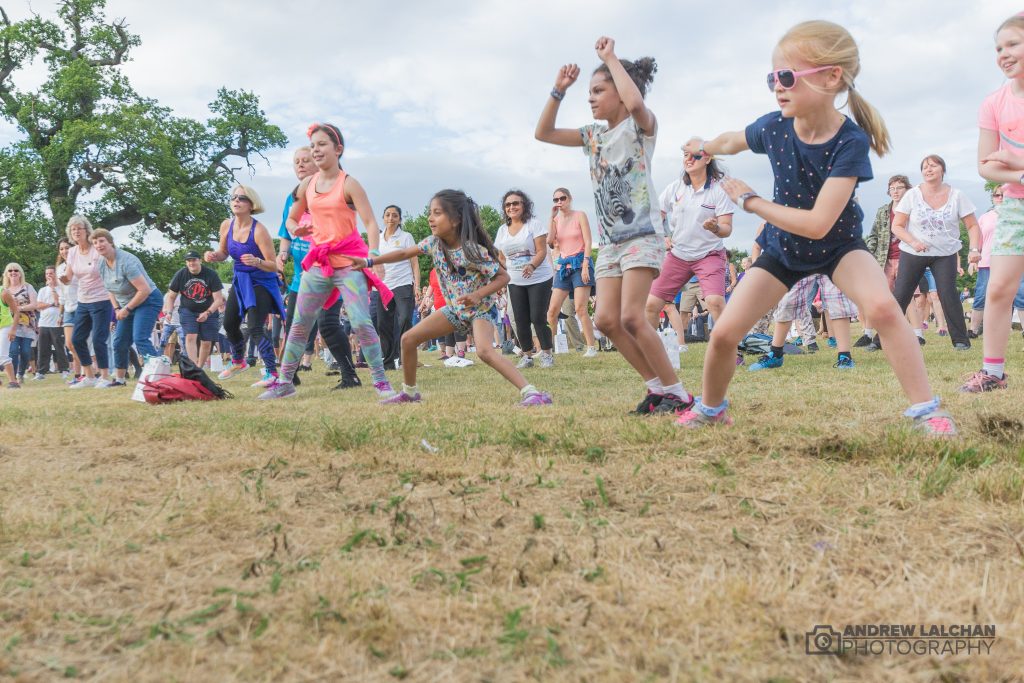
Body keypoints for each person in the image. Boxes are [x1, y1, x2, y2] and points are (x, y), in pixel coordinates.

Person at [679, 20, 955, 434]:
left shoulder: (850, 141)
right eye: (772, 77)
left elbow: (818, 223)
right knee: (723, 335)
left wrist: (751, 202)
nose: (777, 86)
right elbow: (732, 139)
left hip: (839, 246)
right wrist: (705, 145)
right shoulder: (773, 126)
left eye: (787, 76)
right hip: (782, 250)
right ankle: (712, 408)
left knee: (882, 308)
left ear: (831, 77)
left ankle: (927, 411)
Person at [536, 37, 691, 415]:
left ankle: (679, 393)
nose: (590, 98)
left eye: (598, 90)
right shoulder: (592, 136)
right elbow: (543, 133)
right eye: (588, 92)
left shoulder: (641, 128)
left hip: (641, 236)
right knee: (606, 320)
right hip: (609, 244)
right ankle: (656, 388)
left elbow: (636, 103)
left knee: (632, 317)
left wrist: (610, 58)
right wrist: (558, 90)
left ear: (621, 92)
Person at [351, 189, 551, 406]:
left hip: (480, 311)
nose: (430, 218)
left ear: (455, 219)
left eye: (437, 213)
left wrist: (477, 295)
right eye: (430, 212)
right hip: (455, 310)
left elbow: (503, 277)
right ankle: (410, 393)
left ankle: (532, 393)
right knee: (408, 339)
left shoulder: (473, 251)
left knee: (484, 351)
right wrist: (371, 262)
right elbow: (402, 254)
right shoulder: (433, 243)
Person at [257, 122, 395, 400]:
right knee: (299, 323)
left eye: (322, 145)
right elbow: (291, 218)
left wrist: (374, 255)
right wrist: (296, 228)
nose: (315, 150)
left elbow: (369, 223)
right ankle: (285, 383)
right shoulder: (307, 184)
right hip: (318, 264)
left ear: (338, 149)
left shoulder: (350, 184)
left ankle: (382, 384)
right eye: (312, 145)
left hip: (349, 263)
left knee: (361, 322)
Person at [962, 13, 1024, 392]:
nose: (1003, 54)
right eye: (998, 48)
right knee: (999, 288)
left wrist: (1018, 161)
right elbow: (986, 166)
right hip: (1016, 205)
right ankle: (993, 375)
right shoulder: (994, 103)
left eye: (1013, 44)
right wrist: (1018, 175)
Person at [873, 155, 980, 352]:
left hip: (944, 253)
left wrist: (974, 250)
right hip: (913, 253)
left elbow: (972, 226)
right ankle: (879, 339)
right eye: (925, 167)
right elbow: (897, 226)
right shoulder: (912, 195)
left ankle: (961, 340)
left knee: (948, 293)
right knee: (901, 295)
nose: (928, 169)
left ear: (942, 170)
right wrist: (913, 242)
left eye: (933, 166)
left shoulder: (957, 196)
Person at [275, 146, 361, 389]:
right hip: (301, 275)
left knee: (328, 323)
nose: (300, 165)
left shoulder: (334, 192)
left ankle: (350, 375)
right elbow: (285, 232)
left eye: (306, 160)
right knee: (293, 326)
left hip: (330, 272)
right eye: (296, 162)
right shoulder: (291, 198)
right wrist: (282, 254)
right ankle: (288, 376)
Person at [645, 143, 735, 341]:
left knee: (715, 301)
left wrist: (716, 228)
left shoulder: (719, 190)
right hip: (678, 255)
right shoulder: (675, 187)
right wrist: (662, 237)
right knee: (650, 305)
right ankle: (651, 355)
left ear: (708, 158)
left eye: (694, 155)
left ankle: (732, 351)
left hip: (709, 254)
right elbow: (655, 217)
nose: (688, 159)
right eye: (685, 155)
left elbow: (727, 228)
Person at [204, 185, 285, 384]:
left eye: (242, 198)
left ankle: (272, 373)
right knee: (229, 324)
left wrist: (257, 261)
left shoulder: (259, 230)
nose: (236, 201)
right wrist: (214, 256)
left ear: (251, 204)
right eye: (233, 197)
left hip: (261, 281)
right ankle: (238, 361)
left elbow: (274, 265)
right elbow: (223, 253)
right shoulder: (226, 225)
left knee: (256, 327)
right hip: (240, 280)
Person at [92, 229, 163, 386]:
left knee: (140, 338)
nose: (98, 245)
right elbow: (109, 289)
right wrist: (117, 309)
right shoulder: (102, 263)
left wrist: (127, 309)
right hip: (126, 304)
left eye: (102, 241)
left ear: (110, 242)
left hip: (148, 299)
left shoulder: (126, 261)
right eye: (95, 242)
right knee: (119, 342)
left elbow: (144, 290)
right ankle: (120, 379)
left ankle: (160, 376)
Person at [494, 189, 555, 368]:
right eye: (508, 204)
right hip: (515, 281)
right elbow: (501, 256)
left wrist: (531, 265)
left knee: (537, 317)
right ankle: (527, 356)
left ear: (524, 205)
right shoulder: (502, 230)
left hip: (540, 277)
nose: (511, 207)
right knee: (520, 319)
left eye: (515, 203)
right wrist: (508, 270)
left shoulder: (533, 224)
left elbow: (542, 251)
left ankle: (546, 353)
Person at [861, 174, 922, 347]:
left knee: (908, 296)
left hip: (907, 257)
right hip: (885, 259)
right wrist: (869, 254)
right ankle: (874, 334)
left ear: (907, 190)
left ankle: (918, 334)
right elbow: (873, 235)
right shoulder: (883, 211)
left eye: (899, 188)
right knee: (883, 298)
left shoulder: (914, 210)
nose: (895, 191)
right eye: (892, 188)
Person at [60, 215, 113, 388]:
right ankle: (89, 376)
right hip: (82, 301)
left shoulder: (96, 249)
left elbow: (110, 266)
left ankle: (105, 376)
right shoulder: (73, 252)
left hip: (101, 299)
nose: (76, 232)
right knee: (76, 339)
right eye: (73, 229)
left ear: (86, 231)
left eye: (79, 228)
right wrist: (62, 279)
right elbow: (69, 276)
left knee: (98, 339)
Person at [546, 187, 598, 356]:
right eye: (556, 200)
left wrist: (585, 265)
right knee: (552, 311)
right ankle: (548, 349)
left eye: (562, 198)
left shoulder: (580, 215)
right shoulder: (556, 220)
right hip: (564, 266)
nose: (559, 202)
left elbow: (588, 241)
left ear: (569, 198)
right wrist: (551, 217)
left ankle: (591, 347)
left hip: (580, 262)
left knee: (580, 308)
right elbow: (550, 242)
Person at [969, 185, 1024, 338]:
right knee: (981, 294)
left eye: (1003, 195)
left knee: (1020, 294)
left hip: (1013, 261)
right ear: (992, 197)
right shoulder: (984, 218)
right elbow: (977, 241)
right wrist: (973, 259)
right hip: (987, 261)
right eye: (996, 195)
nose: (1000, 198)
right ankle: (973, 329)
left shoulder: (1018, 215)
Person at [373, 204, 419, 369]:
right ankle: (388, 361)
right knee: (383, 324)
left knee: (405, 318)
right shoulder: (377, 239)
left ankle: (405, 355)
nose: (391, 218)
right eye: (387, 215)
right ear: (383, 218)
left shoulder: (406, 237)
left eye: (394, 215)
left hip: (403, 283)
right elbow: (372, 263)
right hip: (383, 286)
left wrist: (417, 285)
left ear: (399, 219)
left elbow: (414, 262)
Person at [165, 251, 225, 368]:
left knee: (206, 342)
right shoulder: (181, 274)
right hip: (188, 310)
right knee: (190, 336)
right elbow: (171, 296)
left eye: (194, 260)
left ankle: (200, 367)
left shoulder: (211, 275)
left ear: (200, 261)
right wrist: (169, 312)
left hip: (209, 310)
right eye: (188, 261)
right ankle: (193, 367)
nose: (191, 263)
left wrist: (207, 313)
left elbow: (218, 300)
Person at [2, 263, 36, 384]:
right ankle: (14, 378)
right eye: (10, 270)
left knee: (26, 351)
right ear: (6, 274)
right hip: (11, 325)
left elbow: (34, 304)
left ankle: (21, 373)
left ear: (20, 272)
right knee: (13, 351)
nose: (13, 272)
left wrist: (19, 308)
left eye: (16, 270)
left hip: (27, 325)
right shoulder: (4, 290)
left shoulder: (27, 287)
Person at [34, 265, 69, 380]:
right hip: (44, 323)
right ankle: (41, 372)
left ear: (55, 274)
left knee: (59, 347)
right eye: (47, 274)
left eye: (51, 273)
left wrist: (53, 289)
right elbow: (38, 306)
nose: (49, 275)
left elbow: (59, 302)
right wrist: (51, 304)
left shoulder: (61, 288)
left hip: (57, 323)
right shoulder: (42, 290)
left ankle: (64, 369)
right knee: (43, 348)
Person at [55, 238, 82, 381]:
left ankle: (85, 373)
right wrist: (60, 313)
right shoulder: (59, 269)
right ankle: (80, 374)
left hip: (82, 306)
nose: (64, 251)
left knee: (79, 342)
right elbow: (62, 294)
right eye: (61, 249)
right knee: (69, 344)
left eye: (67, 248)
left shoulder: (80, 263)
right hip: (68, 309)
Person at [0, 280, 22, 388]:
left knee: (2, 355)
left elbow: (16, 311)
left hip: (5, 327)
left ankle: (13, 382)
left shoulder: (3, 293)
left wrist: (13, 329)